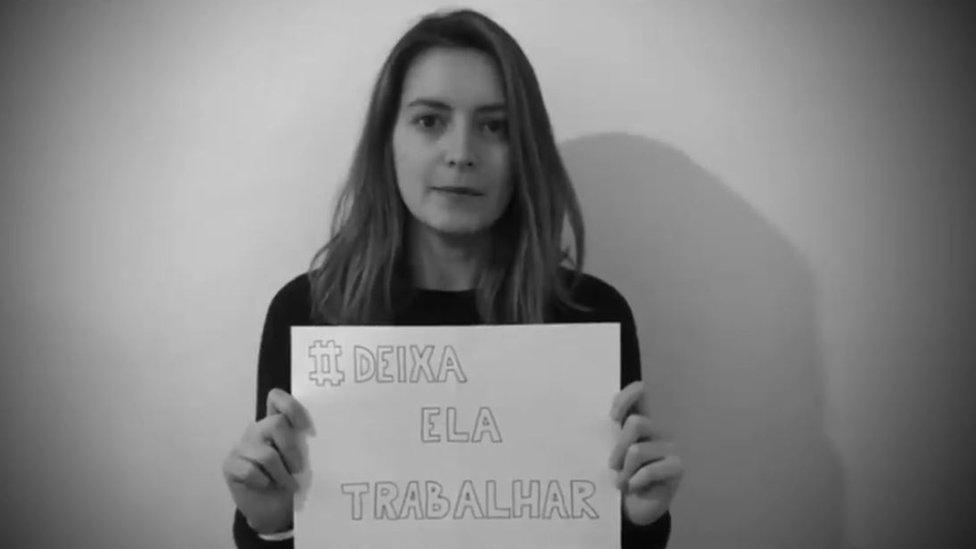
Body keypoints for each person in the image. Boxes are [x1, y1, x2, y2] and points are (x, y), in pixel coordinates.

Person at [221, 8, 683, 548]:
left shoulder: (590, 315)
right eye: (429, 120)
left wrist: (642, 520)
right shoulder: (308, 311)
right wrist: (271, 522)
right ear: (386, 140)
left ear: (524, 152)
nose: (461, 154)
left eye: (495, 127)